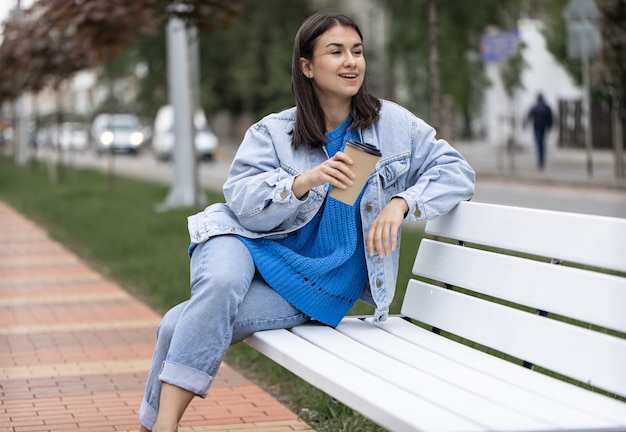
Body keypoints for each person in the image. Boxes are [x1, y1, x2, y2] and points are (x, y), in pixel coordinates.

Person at [138, 11, 475, 432]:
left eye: (357, 51)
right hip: (242, 241)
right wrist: (301, 182)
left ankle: (150, 426)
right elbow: (241, 200)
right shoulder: (274, 132)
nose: (351, 61)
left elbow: (457, 170)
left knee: (179, 322)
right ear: (307, 66)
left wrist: (403, 202)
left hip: (316, 285)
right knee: (220, 285)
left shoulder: (393, 125)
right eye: (336, 52)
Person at [525, 93, 553, 170]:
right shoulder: (546, 107)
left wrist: (525, 124)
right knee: (542, 144)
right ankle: (541, 160)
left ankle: (540, 161)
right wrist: (549, 127)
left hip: (537, 127)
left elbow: (529, 116)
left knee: (539, 144)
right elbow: (550, 118)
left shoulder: (535, 107)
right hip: (543, 127)